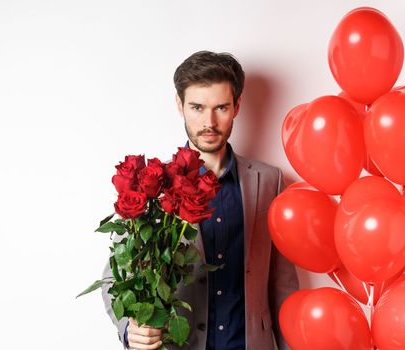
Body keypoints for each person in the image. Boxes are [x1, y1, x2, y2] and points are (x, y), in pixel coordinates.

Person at [101, 51, 299, 350]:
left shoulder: (269, 181)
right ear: (180, 105)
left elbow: (283, 283)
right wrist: (129, 329)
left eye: (221, 107)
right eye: (197, 107)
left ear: (237, 106)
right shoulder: (153, 184)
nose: (209, 121)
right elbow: (115, 276)